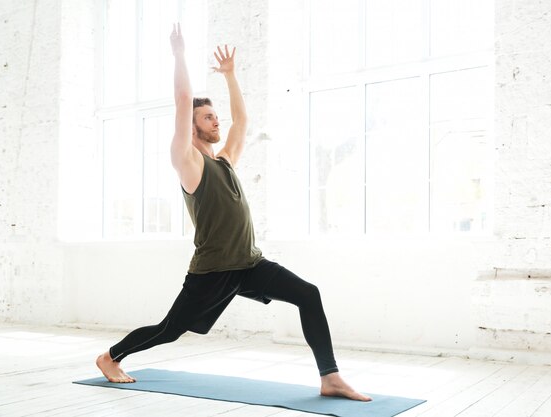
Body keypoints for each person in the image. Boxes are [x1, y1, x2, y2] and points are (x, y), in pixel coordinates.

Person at [96, 23, 371, 402]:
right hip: (212, 270)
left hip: (248, 264)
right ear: (191, 130)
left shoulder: (225, 161)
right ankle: (110, 357)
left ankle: (330, 376)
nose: (216, 121)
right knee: (171, 329)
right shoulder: (188, 163)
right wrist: (178, 54)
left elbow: (242, 122)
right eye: (207, 117)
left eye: (214, 116)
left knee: (308, 294)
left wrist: (230, 76)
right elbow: (182, 99)